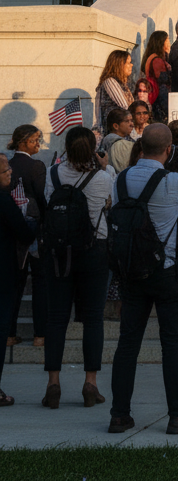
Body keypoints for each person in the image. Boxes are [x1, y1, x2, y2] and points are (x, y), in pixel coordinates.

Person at [108, 123, 178, 435]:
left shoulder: (121, 179)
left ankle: (119, 414)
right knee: (172, 343)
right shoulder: (172, 180)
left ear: (140, 147)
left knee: (128, 343)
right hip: (167, 269)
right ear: (168, 150)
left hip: (131, 269)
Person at [37, 126, 115, 409]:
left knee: (56, 318)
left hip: (59, 252)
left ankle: (53, 384)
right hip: (94, 249)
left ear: (67, 149)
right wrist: (104, 165)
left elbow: (47, 203)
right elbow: (111, 203)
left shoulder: (53, 174)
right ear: (93, 149)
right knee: (93, 319)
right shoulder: (104, 177)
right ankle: (90, 383)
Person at [6, 125, 47, 349]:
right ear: (22, 143)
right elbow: (41, 198)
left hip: (12, 230)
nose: (38, 144)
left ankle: (10, 334)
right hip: (34, 230)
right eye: (34, 140)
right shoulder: (36, 166)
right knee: (40, 281)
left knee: (14, 283)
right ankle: (39, 336)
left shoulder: (8, 165)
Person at [0, 153, 36, 406]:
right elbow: (22, 231)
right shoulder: (3, 199)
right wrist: (33, 224)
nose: (10, 172)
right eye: (5, 170)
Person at [94, 50, 135, 133]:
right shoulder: (110, 82)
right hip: (113, 131)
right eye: (128, 63)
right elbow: (125, 106)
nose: (131, 65)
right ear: (119, 65)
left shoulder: (124, 84)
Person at [141, 31, 172, 120]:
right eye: (167, 40)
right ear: (161, 42)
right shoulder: (157, 60)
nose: (169, 43)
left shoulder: (151, 57)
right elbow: (163, 81)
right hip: (160, 100)